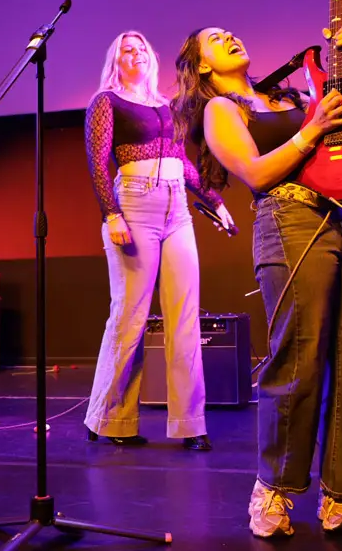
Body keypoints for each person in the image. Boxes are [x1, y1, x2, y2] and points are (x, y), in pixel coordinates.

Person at [173, 24, 342, 537]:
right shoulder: (220, 110)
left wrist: (341, 63)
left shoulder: (286, 94)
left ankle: (339, 494)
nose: (232, 37)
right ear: (202, 66)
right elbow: (258, 173)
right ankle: (274, 488)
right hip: (288, 219)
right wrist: (309, 132)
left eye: (232, 32)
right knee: (298, 358)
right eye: (216, 39)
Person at [82, 31, 235, 452]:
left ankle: (190, 423)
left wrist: (215, 201)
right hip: (134, 205)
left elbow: (182, 162)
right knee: (130, 317)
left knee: (185, 316)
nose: (137, 54)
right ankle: (109, 418)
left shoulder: (165, 107)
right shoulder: (106, 101)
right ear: (117, 60)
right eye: (127, 50)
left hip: (177, 208)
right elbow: (97, 162)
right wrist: (110, 213)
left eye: (142, 48)